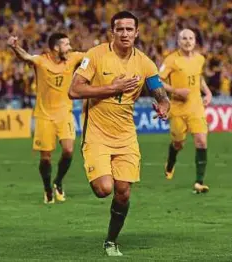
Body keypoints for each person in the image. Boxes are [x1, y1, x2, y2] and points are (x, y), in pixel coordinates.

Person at [69, 11, 170, 256]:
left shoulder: (144, 62)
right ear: (111, 32)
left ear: (136, 32)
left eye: (129, 29)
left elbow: (158, 90)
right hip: (97, 134)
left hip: (126, 135)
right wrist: (111, 87)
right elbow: (74, 90)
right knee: (104, 189)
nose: (124, 34)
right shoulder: (95, 56)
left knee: (123, 192)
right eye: (119, 29)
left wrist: (164, 104)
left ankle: (111, 241)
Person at [8, 33, 84, 204]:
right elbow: (25, 56)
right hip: (44, 115)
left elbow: (93, 55)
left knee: (68, 150)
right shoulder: (41, 61)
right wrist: (14, 47)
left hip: (65, 113)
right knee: (45, 158)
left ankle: (58, 181)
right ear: (56, 47)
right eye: (66, 44)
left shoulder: (73, 58)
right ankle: (47, 187)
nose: (70, 47)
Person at [159, 29, 212, 193]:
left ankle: (199, 182)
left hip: (196, 107)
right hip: (177, 108)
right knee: (178, 143)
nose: (188, 41)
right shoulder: (171, 60)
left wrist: (208, 92)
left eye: (191, 38)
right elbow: (157, 80)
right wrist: (175, 91)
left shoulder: (200, 59)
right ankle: (170, 161)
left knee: (201, 141)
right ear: (178, 41)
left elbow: (199, 78)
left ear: (195, 41)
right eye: (184, 38)